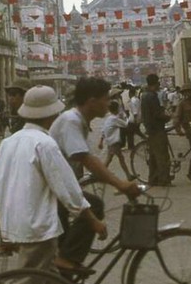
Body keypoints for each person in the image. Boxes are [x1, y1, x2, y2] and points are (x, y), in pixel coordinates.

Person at [0, 86, 105, 284]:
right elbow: (68, 190)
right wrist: (92, 220)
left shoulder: (10, 142)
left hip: (16, 222)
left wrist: (1, 226)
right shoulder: (45, 144)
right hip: (37, 226)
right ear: (53, 114)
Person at [50, 77, 140, 272]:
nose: (109, 103)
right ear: (92, 101)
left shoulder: (78, 120)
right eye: (106, 99)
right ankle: (67, 260)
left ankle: (66, 281)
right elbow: (86, 158)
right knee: (94, 205)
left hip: (59, 186)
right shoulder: (71, 121)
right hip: (51, 189)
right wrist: (120, 184)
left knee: (63, 245)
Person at [139, 73, 174, 184]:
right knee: (162, 156)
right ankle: (164, 179)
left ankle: (153, 178)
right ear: (155, 83)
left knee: (154, 156)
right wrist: (168, 117)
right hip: (157, 129)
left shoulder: (144, 95)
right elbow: (157, 114)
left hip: (150, 129)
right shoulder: (152, 96)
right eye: (158, 82)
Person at [100, 100, 128, 174]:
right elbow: (125, 124)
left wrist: (101, 141)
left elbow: (103, 130)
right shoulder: (115, 119)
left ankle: (128, 175)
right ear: (117, 109)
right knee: (119, 158)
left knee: (110, 159)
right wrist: (125, 117)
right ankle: (100, 173)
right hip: (114, 142)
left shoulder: (109, 118)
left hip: (109, 141)